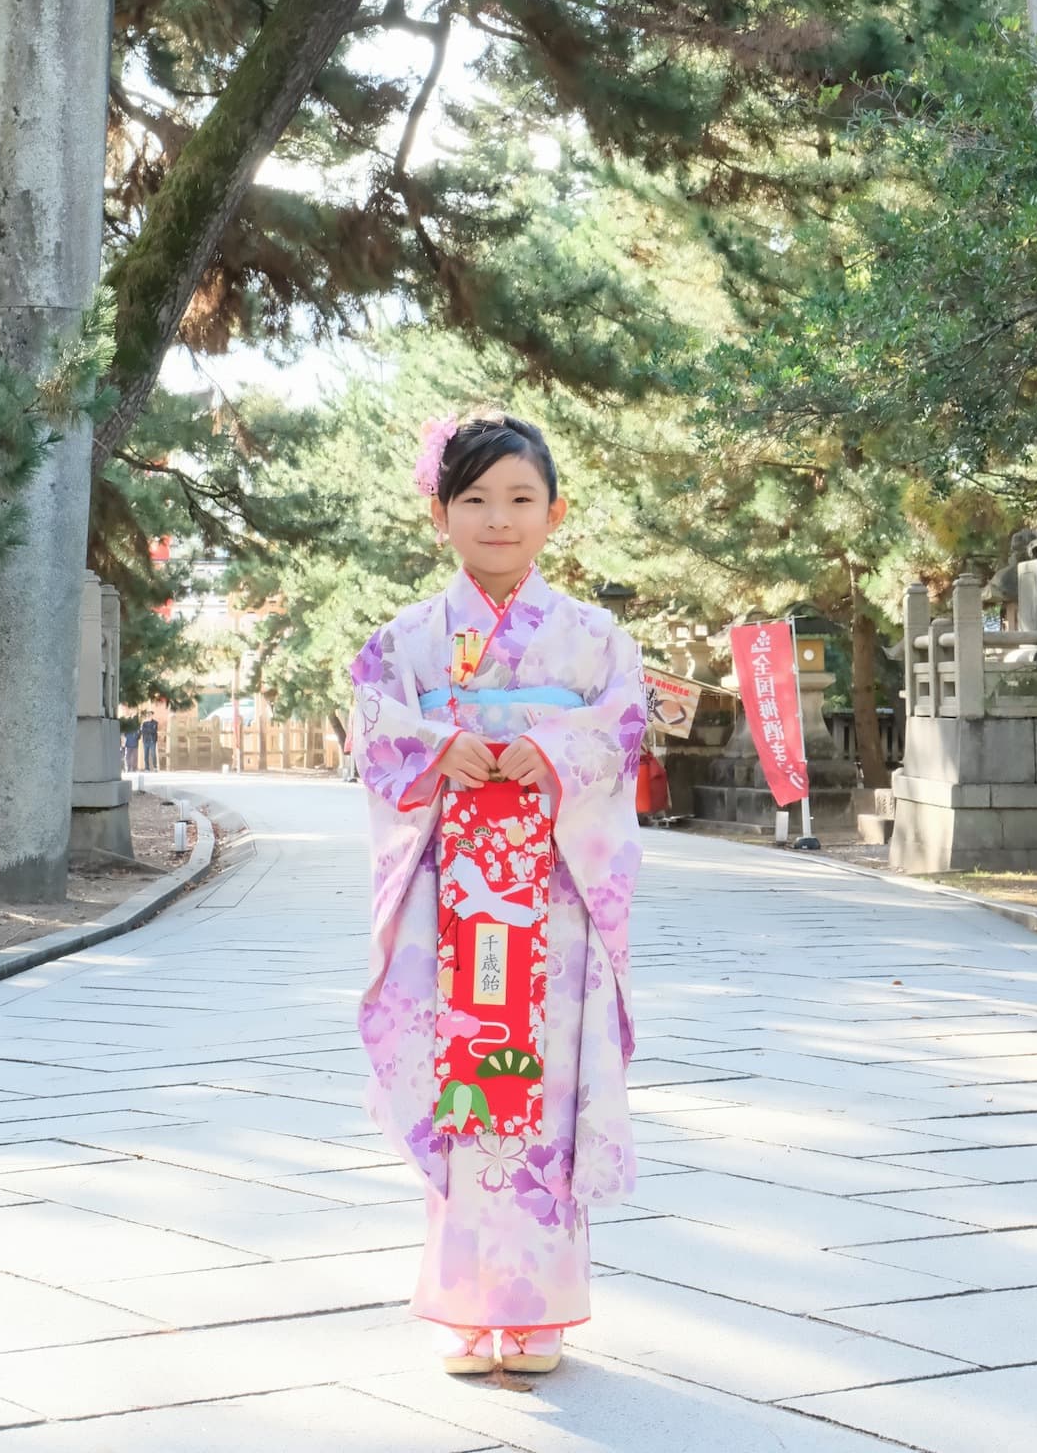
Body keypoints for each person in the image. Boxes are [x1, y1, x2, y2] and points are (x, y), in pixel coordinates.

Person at [350, 412, 646, 1378]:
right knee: (464, 1078)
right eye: (474, 499)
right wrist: (441, 748)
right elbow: (374, 731)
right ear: (440, 515)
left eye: (521, 498)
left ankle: (539, 1309)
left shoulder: (595, 637)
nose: (498, 518)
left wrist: (552, 752)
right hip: (450, 893)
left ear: (554, 513)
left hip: (553, 897)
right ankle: (467, 1306)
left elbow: (623, 730)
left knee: (546, 1085)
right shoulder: (404, 641)